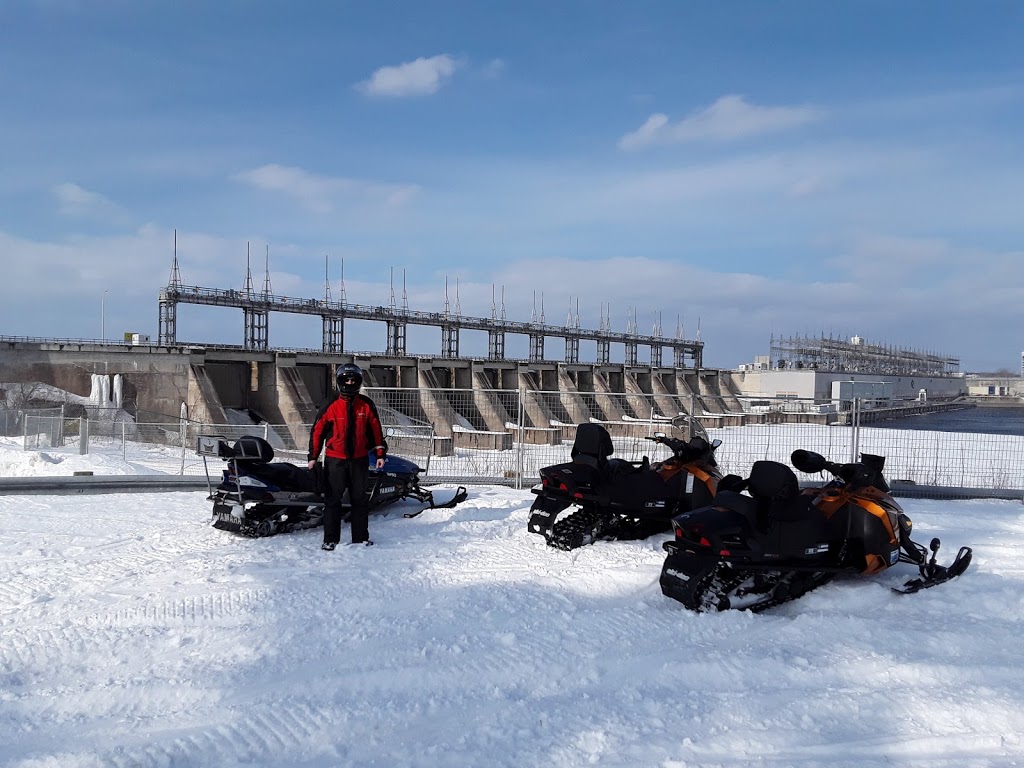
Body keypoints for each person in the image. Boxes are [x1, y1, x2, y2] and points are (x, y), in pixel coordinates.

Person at [307, 363, 387, 550]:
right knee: (332, 501)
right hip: (335, 461)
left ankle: (360, 538)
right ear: (340, 381)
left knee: (359, 500)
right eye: (346, 380)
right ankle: (330, 540)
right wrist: (313, 456)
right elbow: (317, 431)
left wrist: (380, 453)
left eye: (353, 380)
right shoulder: (330, 404)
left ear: (358, 382)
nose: (350, 383)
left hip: (359, 460)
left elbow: (376, 430)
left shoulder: (366, 404)